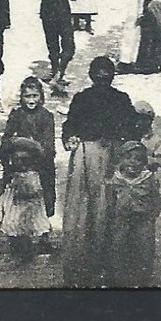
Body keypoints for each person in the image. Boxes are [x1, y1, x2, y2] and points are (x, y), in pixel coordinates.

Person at [60, 55, 139, 286]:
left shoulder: (119, 99)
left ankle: (109, 261)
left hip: (109, 157)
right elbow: (70, 126)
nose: (103, 79)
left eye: (106, 76)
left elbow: (134, 127)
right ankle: (90, 261)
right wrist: (70, 139)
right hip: (89, 157)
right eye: (100, 76)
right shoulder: (85, 99)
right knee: (89, 208)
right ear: (93, 77)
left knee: (107, 208)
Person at [104, 140, 161, 286]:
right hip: (121, 219)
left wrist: (151, 215)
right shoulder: (116, 180)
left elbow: (157, 199)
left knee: (144, 247)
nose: (133, 162)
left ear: (144, 163)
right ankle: (120, 277)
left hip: (142, 219)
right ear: (120, 160)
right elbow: (109, 200)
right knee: (119, 246)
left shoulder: (148, 179)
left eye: (138, 159)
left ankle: (142, 278)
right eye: (128, 158)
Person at [2, 75, 58, 219]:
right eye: (27, 96)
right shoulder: (17, 115)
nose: (31, 100)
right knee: (20, 205)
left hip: (41, 166)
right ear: (22, 97)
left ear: (41, 96)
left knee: (43, 202)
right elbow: (6, 139)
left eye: (35, 96)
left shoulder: (46, 116)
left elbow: (48, 147)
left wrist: (25, 144)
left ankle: (43, 235)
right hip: (21, 166)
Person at [0, 134, 51, 259]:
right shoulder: (14, 175)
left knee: (32, 224)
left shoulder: (32, 175)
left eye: (24, 160)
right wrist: (2, 185)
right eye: (16, 159)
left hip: (29, 206)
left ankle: (36, 244)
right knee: (14, 224)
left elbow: (34, 192)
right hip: (16, 206)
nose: (20, 162)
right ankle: (17, 246)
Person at [39, 0, 78, 85]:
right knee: (68, 45)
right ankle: (61, 71)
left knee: (52, 44)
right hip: (63, 13)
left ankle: (55, 70)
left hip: (47, 13)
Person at [130, 100, 161, 170]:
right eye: (135, 117)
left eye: (142, 118)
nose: (138, 121)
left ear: (149, 120)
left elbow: (159, 161)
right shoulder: (129, 137)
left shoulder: (156, 141)